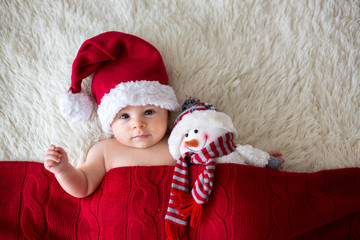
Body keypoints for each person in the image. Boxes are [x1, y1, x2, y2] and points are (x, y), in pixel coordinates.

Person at [44, 31, 179, 198]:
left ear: (167, 113)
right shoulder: (105, 151)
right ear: (109, 122)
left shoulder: (177, 144)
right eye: (124, 116)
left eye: (149, 112)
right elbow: (83, 185)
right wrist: (63, 170)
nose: (138, 124)